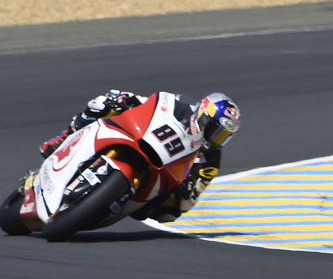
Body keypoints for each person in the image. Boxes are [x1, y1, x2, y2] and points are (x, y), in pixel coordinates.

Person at [39, 89, 241, 223]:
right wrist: (126, 98)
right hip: (145, 138)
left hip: (167, 175)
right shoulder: (182, 104)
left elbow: (197, 192)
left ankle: (113, 201)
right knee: (102, 104)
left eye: (222, 136)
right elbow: (154, 103)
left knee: (168, 214)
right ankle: (63, 137)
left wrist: (189, 190)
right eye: (214, 130)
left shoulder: (211, 159)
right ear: (203, 114)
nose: (215, 139)